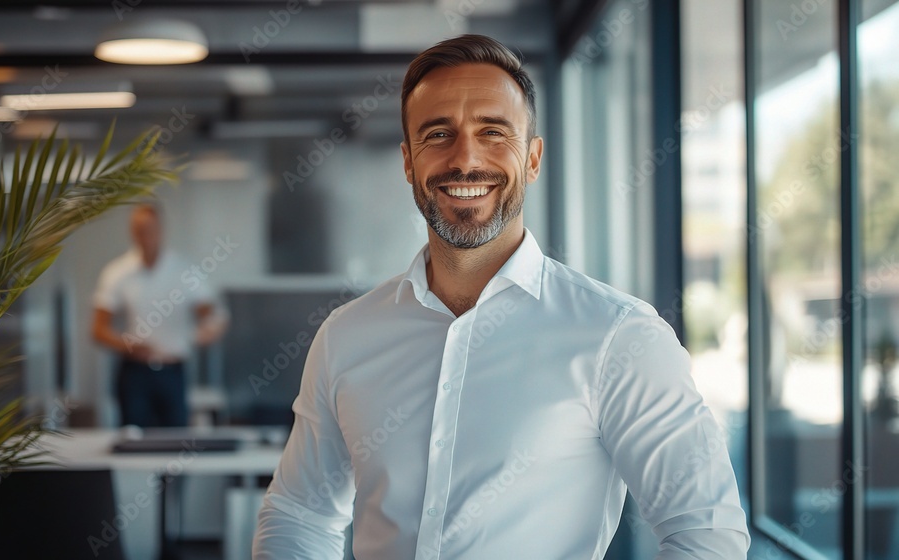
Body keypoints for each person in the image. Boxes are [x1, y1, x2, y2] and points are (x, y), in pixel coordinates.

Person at [253, 35, 750, 559]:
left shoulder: (619, 336)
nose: (465, 158)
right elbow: (300, 515)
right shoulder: (346, 336)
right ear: (408, 163)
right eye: (438, 134)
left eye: (493, 132)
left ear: (532, 158)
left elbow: (706, 533)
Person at [92, 203, 227, 427]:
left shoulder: (184, 271)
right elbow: (98, 329)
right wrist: (127, 345)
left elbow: (210, 312)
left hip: (173, 373)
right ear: (131, 231)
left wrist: (211, 328)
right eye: (139, 229)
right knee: (133, 440)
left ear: (161, 229)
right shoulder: (117, 272)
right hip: (134, 373)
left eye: (150, 229)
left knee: (175, 439)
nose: (145, 235)